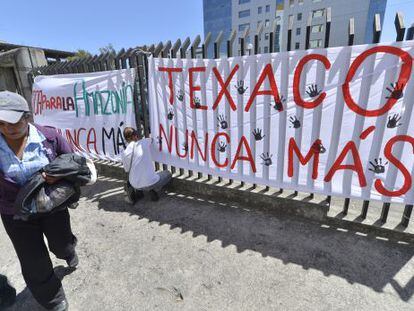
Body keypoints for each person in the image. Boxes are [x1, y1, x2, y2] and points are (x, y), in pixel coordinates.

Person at [0, 91, 77, 311]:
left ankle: (68, 251)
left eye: (13, 121)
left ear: (27, 116)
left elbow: (75, 164)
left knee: (61, 244)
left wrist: (59, 175)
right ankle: (52, 298)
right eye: (1, 123)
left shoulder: (50, 137)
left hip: (52, 206)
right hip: (14, 212)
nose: (8, 128)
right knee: (33, 260)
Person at [121, 127, 172, 203]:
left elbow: (127, 170)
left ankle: (140, 190)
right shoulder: (144, 142)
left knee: (141, 177)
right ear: (135, 136)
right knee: (168, 173)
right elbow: (152, 140)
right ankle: (153, 189)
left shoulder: (124, 153)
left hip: (135, 184)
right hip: (151, 182)